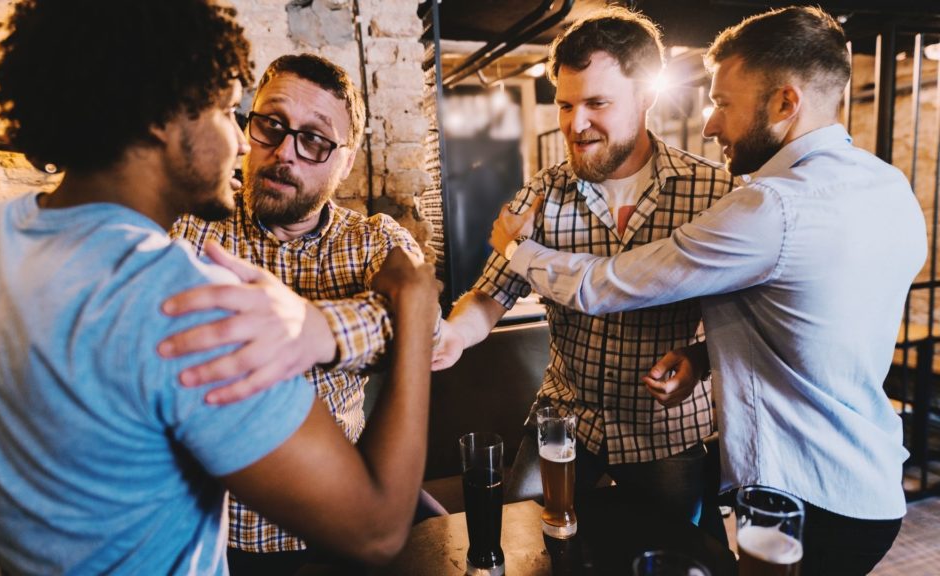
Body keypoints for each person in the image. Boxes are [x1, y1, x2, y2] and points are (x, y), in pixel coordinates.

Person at [0, 1, 436, 573]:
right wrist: (412, 300)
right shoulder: (186, 303)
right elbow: (378, 528)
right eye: (226, 110)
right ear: (165, 115)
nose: (243, 144)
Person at [494, 6, 924, 574]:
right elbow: (809, 326)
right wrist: (702, 356)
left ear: (784, 104)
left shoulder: (770, 207)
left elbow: (611, 282)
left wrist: (516, 250)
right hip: (870, 488)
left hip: (799, 495)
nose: (708, 123)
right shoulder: (888, 187)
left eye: (723, 102)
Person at [434, 6, 736, 526]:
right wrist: (454, 335)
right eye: (565, 104)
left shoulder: (715, 191)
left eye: (597, 103)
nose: (576, 124)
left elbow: (747, 316)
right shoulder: (540, 194)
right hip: (565, 422)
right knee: (525, 537)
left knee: (681, 554)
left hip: (669, 430)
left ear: (646, 97)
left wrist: (702, 357)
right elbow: (490, 295)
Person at [165, 53, 441, 572]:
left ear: (347, 156)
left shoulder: (375, 242)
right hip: (221, 530)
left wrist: (316, 329)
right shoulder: (193, 227)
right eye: (271, 125)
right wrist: (378, 320)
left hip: (345, 510)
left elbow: (432, 329)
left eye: (314, 140)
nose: (284, 152)